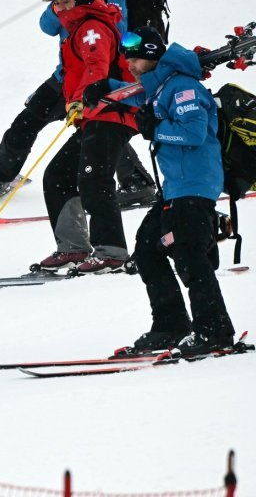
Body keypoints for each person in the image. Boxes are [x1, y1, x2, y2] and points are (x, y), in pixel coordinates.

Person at [0, 0, 154, 211]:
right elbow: (47, 27)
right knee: (29, 119)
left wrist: (82, 3)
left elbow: (115, 32)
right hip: (66, 75)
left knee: (101, 129)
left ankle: (137, 183)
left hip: (97, 79)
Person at [84, 27, 235, 355]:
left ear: (152, 55)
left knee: (189, 255)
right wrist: (103, 88)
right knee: (148, 248)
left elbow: (194, 133)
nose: (131, 65)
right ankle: (170, 326)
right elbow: (131, 94)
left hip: (194, 187)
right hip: (175, 189)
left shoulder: (182, 87)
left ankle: (215, 331)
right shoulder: (159, 86)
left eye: (135, 58)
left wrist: (157, 129)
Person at [36, 0, 139, 274]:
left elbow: (97, 66)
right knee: (58, 174)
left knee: (95, 177)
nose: (60, 9)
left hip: (110, 112)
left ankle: (111, 251)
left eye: (65, 2)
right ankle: (73, 248)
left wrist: (82, 98)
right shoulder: (78, 27)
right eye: (56, 5)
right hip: (93, 115)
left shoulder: (92, 27)